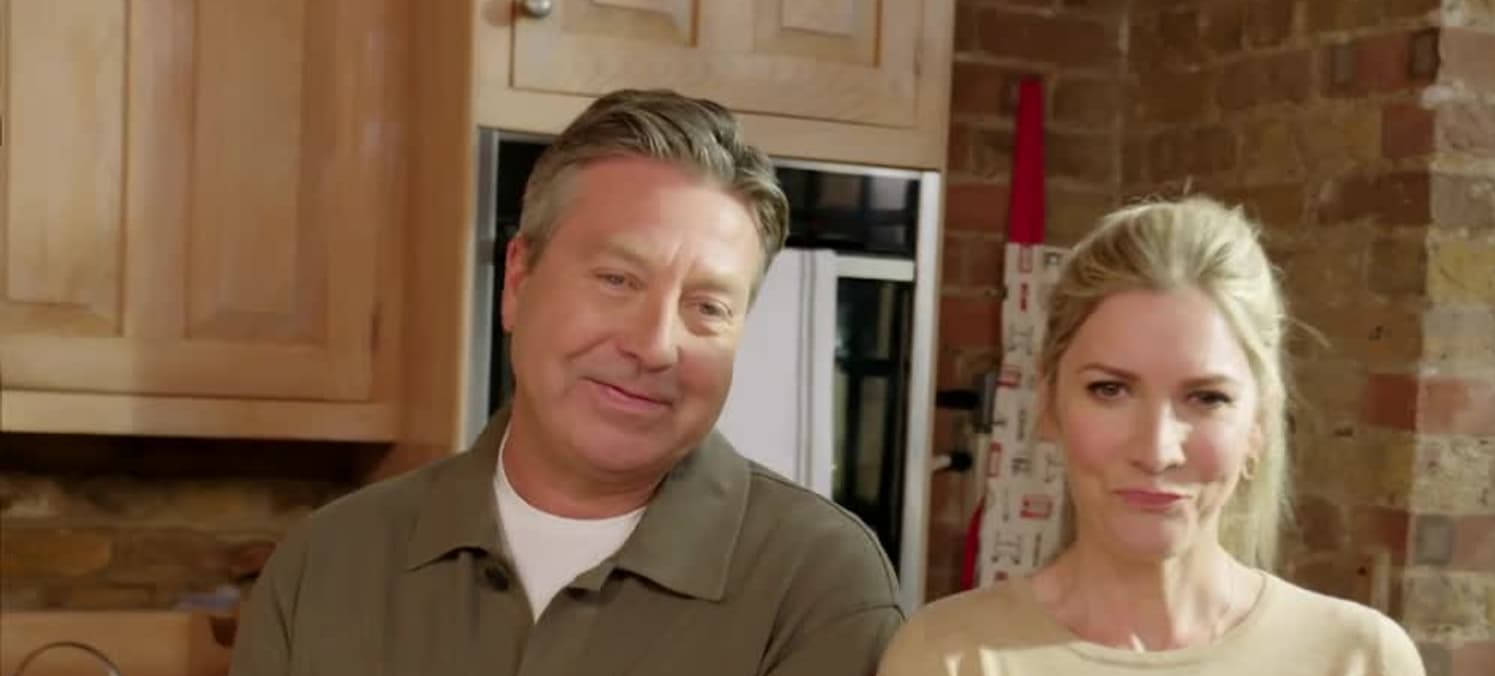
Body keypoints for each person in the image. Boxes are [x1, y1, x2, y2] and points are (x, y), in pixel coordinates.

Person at [230, 89, 903, 675]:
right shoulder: (326, 564)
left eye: (708, 307)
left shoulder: (818, 585)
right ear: (518, 280)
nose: (654, 346)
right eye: (617, 280)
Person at [879, 197, 1425, 675]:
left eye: (1206, 397)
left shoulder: (1359, 658)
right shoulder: (949, 656)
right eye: (1110, 390)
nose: (1156, 450)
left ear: (1259, 423)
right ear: (1049, 405)